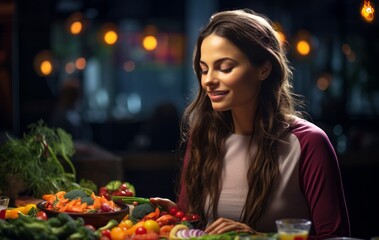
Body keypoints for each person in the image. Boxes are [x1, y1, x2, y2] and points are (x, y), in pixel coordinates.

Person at [150, 9, 350, 239]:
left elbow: (336, 237)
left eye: (225, 68)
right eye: (204, 70)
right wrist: (176, 218)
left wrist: (259, 237)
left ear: (264, 69)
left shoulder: (308, 143)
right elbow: (195, 226)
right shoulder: (203, 137)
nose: (208, 81)